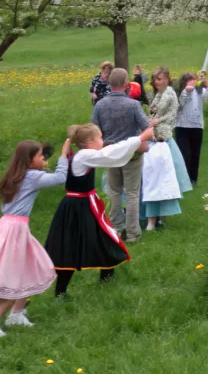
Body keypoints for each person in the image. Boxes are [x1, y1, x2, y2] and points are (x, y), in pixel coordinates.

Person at [0, 139, 70, 337]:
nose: (44, 159)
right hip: (14, 231)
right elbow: (60, 178)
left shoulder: (15, 175)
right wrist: (64, 156)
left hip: (9, 227)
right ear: (30, 161)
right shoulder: (32, 177)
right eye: (41, 157)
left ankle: (16, 314)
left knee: (31, 268)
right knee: (14, 280)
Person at [44, 123, 153, 297]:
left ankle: (105, 280)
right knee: (77, 244)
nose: (103, 140)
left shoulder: (81, 155)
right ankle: (63, 291)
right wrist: (139, 138)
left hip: (80, 205)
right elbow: (109, 155)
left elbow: (108, 152)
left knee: (103, 238)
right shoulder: (85, 156)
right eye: (100, 138)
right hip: (79, 207)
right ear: (89, 142)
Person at [91, 68, 151, 243]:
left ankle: (117, 228)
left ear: (109, 84)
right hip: (132, 153)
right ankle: (132, 234)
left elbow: (94, 130)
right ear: (126, 85)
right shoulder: (133, 105)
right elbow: (146, 127)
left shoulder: (100, 105)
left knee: (114, 192)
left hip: (111, 153)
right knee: (132, 193)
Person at [141, 66, 192, 231]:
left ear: (167, 79)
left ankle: (158, 218)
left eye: (160, 79)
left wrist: (157, 121)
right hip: (154, 137)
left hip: (163, 137)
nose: (157, 82)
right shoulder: (159, 94)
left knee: (161, 177)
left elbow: (171, 114)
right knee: (155, 177)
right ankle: (157, 217)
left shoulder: (169, 93)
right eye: (155, 79)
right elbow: (152, 109)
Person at [175, 70, 208, 187]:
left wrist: (207, 84)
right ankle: (183, 180)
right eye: (190, 79)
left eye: (195, 79)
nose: (194, 82)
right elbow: (182, 102)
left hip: (197, 126)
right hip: (182, 126)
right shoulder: (181, 91)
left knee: (195, 154)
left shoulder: (198, 90)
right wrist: (187, 90)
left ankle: (193, 180)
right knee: (185, 154)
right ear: (185, 81)